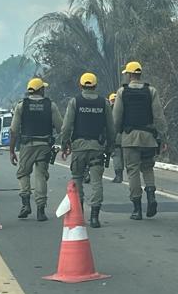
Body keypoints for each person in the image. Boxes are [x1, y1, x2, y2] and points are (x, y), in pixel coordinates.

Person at [112, 60, 166, 220]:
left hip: (130, 139)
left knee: (133, 171)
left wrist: (113, 136)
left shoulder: (122, 92)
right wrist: (162, 135)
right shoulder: (151, 91)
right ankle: (151, 197)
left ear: (129, 75)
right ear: (140, 74)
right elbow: (158, 115)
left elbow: (116, 118)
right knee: (148, 168)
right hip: (148, 138)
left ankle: (137, 209)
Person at [60, 72, 114, 228]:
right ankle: (95, 218)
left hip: (79, 148)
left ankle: (79, 214)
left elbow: (66, 127)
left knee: (77, 179)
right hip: (97, 148)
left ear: (81, 85)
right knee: (97, 182)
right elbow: (111, 128)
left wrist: (65, 144)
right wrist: (110, 147)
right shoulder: (103, 103)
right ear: (95, 86)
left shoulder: (75, 102)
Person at [9, 78, 63, 221]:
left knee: (23, 173)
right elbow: (60, 127)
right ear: (41, 90)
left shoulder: (21, 106)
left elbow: (13, 130)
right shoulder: (50, 105)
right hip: (44, 146)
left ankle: (25, 204)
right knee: (41, 176)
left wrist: (11, 150)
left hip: (26, 146)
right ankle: (40, 211)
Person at [107, 91, 123, 183]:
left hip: (115, 136)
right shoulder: (124, 109)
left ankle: (118, 175)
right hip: (126, 136)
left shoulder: (109, 110)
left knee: (116, 155)